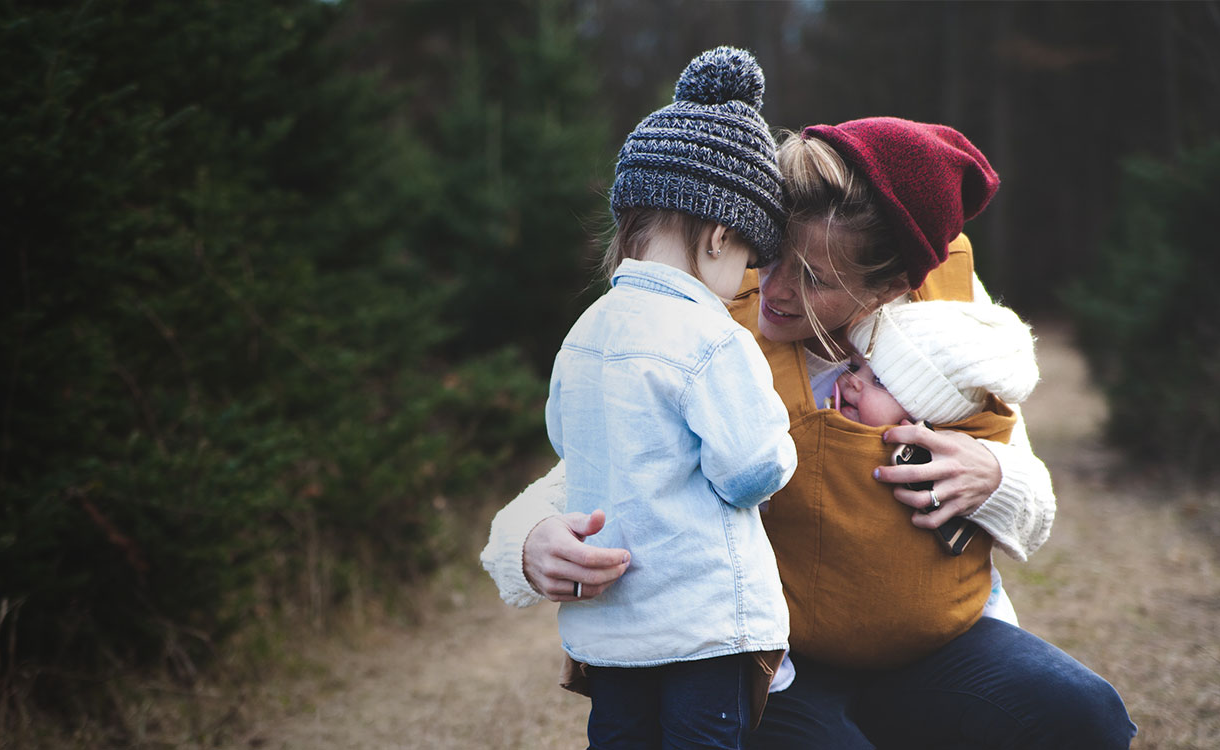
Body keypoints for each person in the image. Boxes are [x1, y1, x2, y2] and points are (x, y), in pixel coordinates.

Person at [481, 114, 1137, 748]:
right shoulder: (710, 322)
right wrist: (527, 541)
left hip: (934, 648)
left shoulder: (949, 336)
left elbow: (1036, 510)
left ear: (892, 287)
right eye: (774, 254)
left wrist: (995, 478)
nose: (775, 288)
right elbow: (603, 459)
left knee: (1085, 717)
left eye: (816, 278)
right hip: (775, 663)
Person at [545, 46, 797, 750]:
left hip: (612, 632)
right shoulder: (710, 339)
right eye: (750, 256)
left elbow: (565, 440)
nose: (748, 276)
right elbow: (751, 470)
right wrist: (780, 441)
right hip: (701, 627)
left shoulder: (583, 333)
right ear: (720, 236)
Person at [803, 298, 1040, 669]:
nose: (850, 383)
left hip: (954, 630)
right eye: (853, 367)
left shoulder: (955, 448)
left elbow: (1034, 516)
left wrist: (998, 476)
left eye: (878, 380)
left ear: (925, 416)